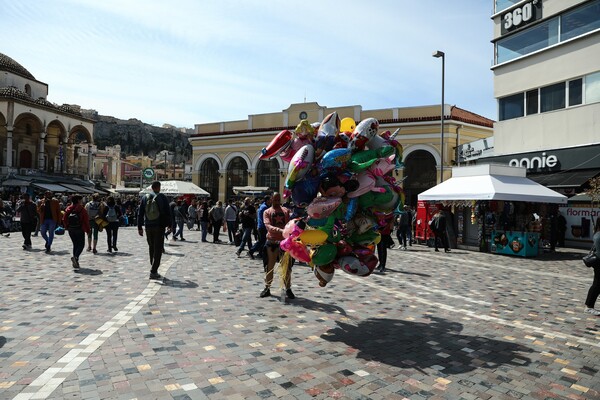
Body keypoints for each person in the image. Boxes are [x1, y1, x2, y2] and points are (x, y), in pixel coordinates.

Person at [259, 193, 294, 299]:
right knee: (269, 266)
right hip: (272, 242)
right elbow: (268, 225)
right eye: (275, 200)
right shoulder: (267, 212)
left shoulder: (286, 211)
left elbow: (290, 223)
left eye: (278, 200)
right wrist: (280, 230)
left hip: (284, 243)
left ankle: (288, 288)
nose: (277, 202)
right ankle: (267, 287)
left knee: (286, 268)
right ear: (271, 199)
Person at [137, 181, 172, 280]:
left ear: (152, 188)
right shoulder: (162, 197)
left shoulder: (144, 198)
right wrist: (169, 225)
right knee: (158, 248)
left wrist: (139, 227)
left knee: (151, 246)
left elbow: (140, 213)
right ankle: (153, 270)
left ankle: (153, 264)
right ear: (159, 187)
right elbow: (167, 212)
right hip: (159, 226)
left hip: (148, 226)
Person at [63, 195, 90, 269]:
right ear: (78, 200)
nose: (82, 201)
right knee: (81, 244)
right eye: (81, 200)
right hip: (79, 229)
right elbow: (86, 221)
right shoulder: (82, 209)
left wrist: (67, 226)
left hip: (71, 229)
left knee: (75, 244)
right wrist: (88, 230)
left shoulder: (68, 208)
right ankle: (76, 257)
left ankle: (75, 261)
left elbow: (64, 218)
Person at [584, 218, 600, 316]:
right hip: (599, 262)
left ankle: (589, 306)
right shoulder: (598, 236)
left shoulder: (597, 234)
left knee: (598, 285)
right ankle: (589, 306)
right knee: (597, 285)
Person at [248, 195, 271, 259]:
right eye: (270, 199)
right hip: (263, 226)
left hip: (262, 226)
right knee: (261, 241)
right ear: (267, 200)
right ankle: (251, 251)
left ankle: (260, 253)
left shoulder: (263, 206)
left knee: (263, 241)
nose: (271, 200)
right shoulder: (264, 207)